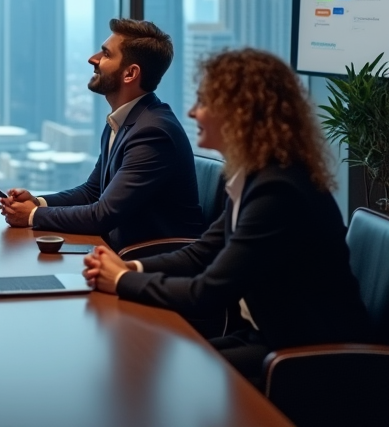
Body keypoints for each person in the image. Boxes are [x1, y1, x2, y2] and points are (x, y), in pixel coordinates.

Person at [82, 48, 372, 386]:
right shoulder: (255, 177)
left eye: (204, 102)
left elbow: (208, 291)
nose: (192, 112)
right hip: (265, 337)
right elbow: (202, 252)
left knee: (167, 373)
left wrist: (120, 280)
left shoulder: (278, 192)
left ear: (240, 113)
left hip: (311, 358)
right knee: (153, 360)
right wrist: (132, 268)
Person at [0, 18, 204, 250]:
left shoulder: (153, 132)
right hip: (118, 250)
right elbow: (92, 192)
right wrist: (39, 202)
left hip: (152, 260)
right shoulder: (122, 121)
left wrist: (33, 215)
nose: (93, 59)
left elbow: (103, 215)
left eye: (105, 54)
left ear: (130, 73)